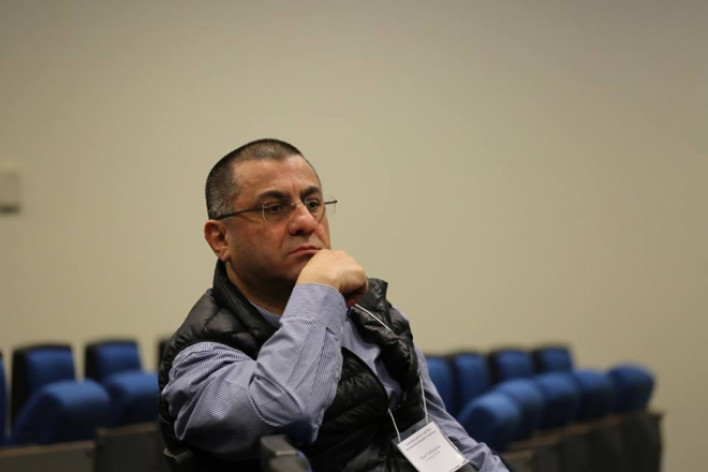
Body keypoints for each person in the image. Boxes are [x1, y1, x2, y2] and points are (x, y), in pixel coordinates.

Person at [158, 138, 510, 471]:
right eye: (274, 208)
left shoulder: (373, 314)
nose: (305, 222)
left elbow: (436, 432)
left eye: (313, 204)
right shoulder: (200, 356)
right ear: (220, 238)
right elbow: (286, 410)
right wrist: (318, 290)